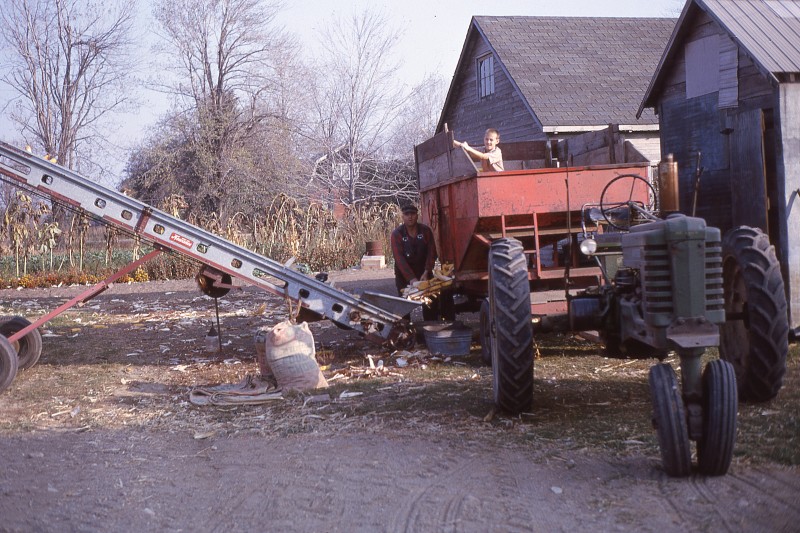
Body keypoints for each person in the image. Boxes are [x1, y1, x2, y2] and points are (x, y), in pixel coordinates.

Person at [391, 204, 439, 321]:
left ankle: (430, 329)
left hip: (424, 272)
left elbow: (431, 252)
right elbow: (399, 259)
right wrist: (411, 278)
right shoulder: (397, 234)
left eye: (412, 214)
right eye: (407, 215)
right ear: (403, 217)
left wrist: (427, 270)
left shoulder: (426, 231)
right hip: (404, 275)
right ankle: (406, 332)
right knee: (405, 304)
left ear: (417, 215)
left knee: (430, 302)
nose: (410, 217)